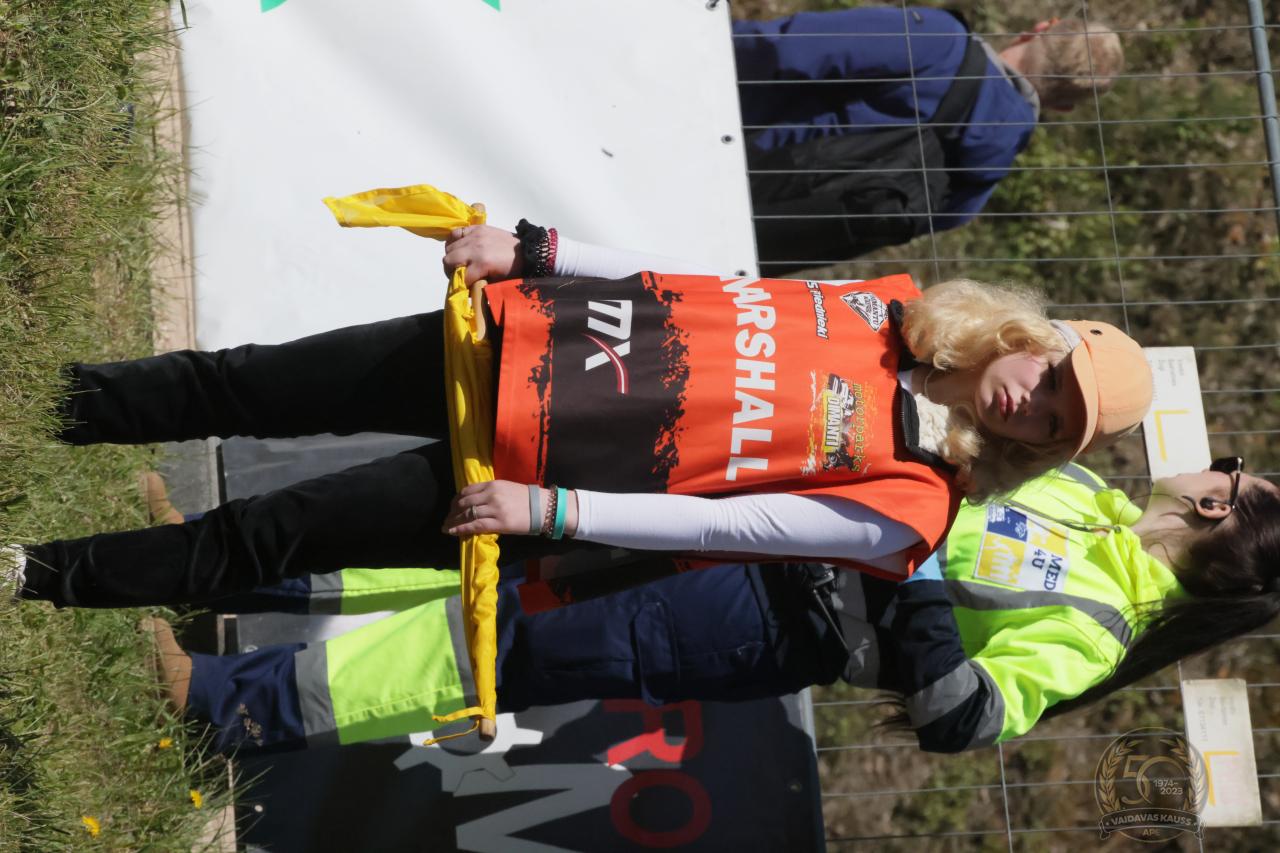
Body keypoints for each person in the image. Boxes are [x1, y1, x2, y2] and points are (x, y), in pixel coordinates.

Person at [4, 223, 1150, 612]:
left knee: (267, 535)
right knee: (239, 381)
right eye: (1050, 376)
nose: (1029, 402)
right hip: (521, 342)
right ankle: (40, 407)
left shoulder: (915, 506)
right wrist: (538, 248)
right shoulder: (885, 304)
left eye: (1051, 423)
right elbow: (707, 286)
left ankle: (32, 573)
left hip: (527, 485)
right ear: (1034, 336)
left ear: (1039, 450)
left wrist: (546, 511)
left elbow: (728, 529)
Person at [141, 459, 1280, 753]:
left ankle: (228, 703)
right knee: (477, 545)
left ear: (1216, 509)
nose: (1208, 462)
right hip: (752, 522)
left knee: (502, 639)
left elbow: (963, 716)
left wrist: (923, 568)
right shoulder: (1079, 488)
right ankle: (202, 563)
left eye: (1228, 472)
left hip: (767, 624)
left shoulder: (1097, 629)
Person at [734, 8, 1124, 269]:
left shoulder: (942, 42)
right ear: (1064, 107)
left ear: (1037, 29)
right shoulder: (990, 169)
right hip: (749, 243)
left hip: (729, 143)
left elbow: (787, 46)